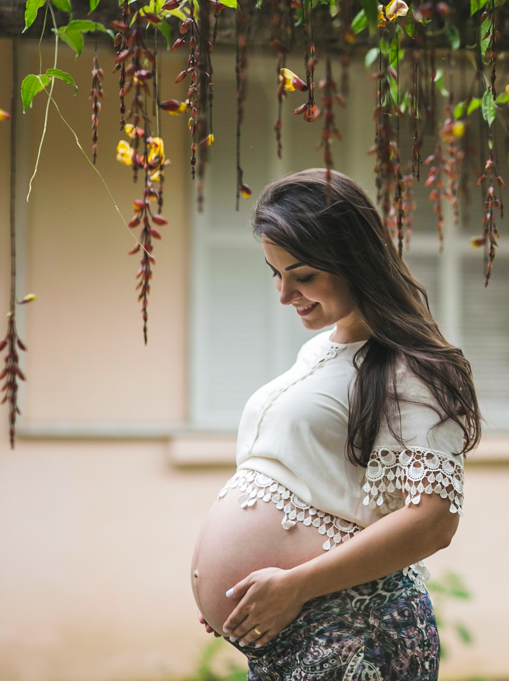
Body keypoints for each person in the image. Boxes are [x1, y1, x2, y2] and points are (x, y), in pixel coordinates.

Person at [189, 168, 481, 681]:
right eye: (274, 273)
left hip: (356, 629)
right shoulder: (317, 352)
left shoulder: (413, 364)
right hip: (296, 633)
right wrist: (231, 594)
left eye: (302, 276)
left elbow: (434, 520)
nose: (284, 294)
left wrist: (294, 585)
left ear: (355, 261)